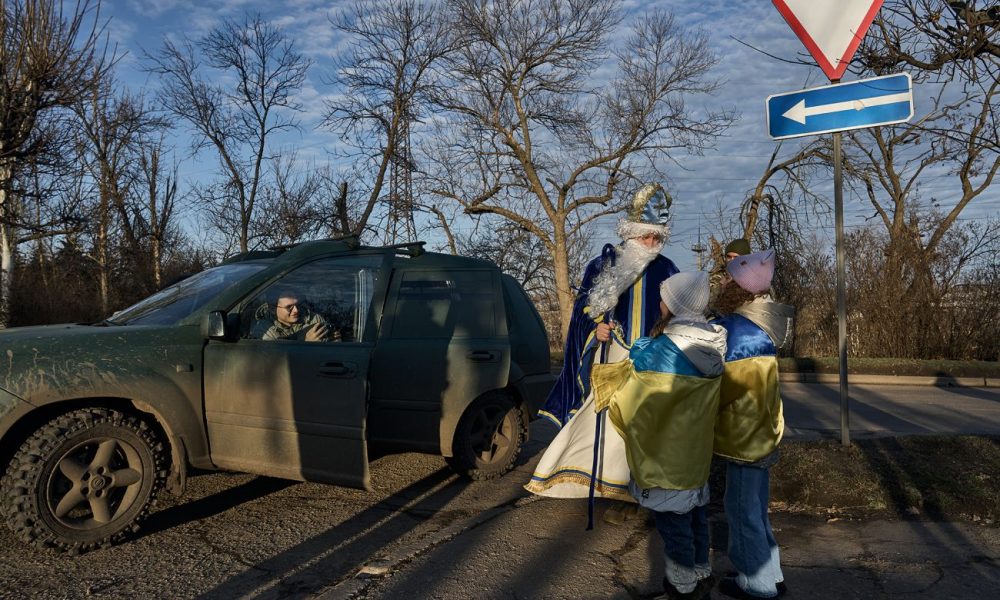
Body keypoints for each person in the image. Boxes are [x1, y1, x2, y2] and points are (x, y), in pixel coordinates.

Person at [525, 183, 679, 519]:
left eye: (658, 238)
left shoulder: (667, 270)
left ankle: (643, 495)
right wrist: (596, 329)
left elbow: (679, 316)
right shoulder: (602, 266)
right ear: (633, 232)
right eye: (646, 237)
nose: (652, 245)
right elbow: (583, 312)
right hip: (610, 364)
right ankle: (608, 488)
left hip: (651, 367)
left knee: (647, 430)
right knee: (608, 428)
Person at [591, 270, 727, 599]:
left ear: (674, 306)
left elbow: (631, 403)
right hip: (694, 459)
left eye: (664, 298)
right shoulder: (714, 343)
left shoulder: (658, 352)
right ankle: (699, 573)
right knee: (695, 515)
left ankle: (682, 588)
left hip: (666, 461)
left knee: (674, 528)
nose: (660, 302)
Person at [711, 250, 794, 599]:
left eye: (729, 277)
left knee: (742, 512)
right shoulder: (761, 326)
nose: (724, 281)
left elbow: (726, 388)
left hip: (743, 438)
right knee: (757, 511)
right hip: (762, 433)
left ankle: (757, 585)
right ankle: (770, 574)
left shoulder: (738, 332)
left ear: (741, 287)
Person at [263, 290, 339, 342]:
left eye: (297, 305)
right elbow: (276, 359)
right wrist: (305, 344)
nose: (296, 310)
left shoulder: (314, 319)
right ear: (273, 309)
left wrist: (335, 342)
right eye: (289, 307)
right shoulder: (264, 329)